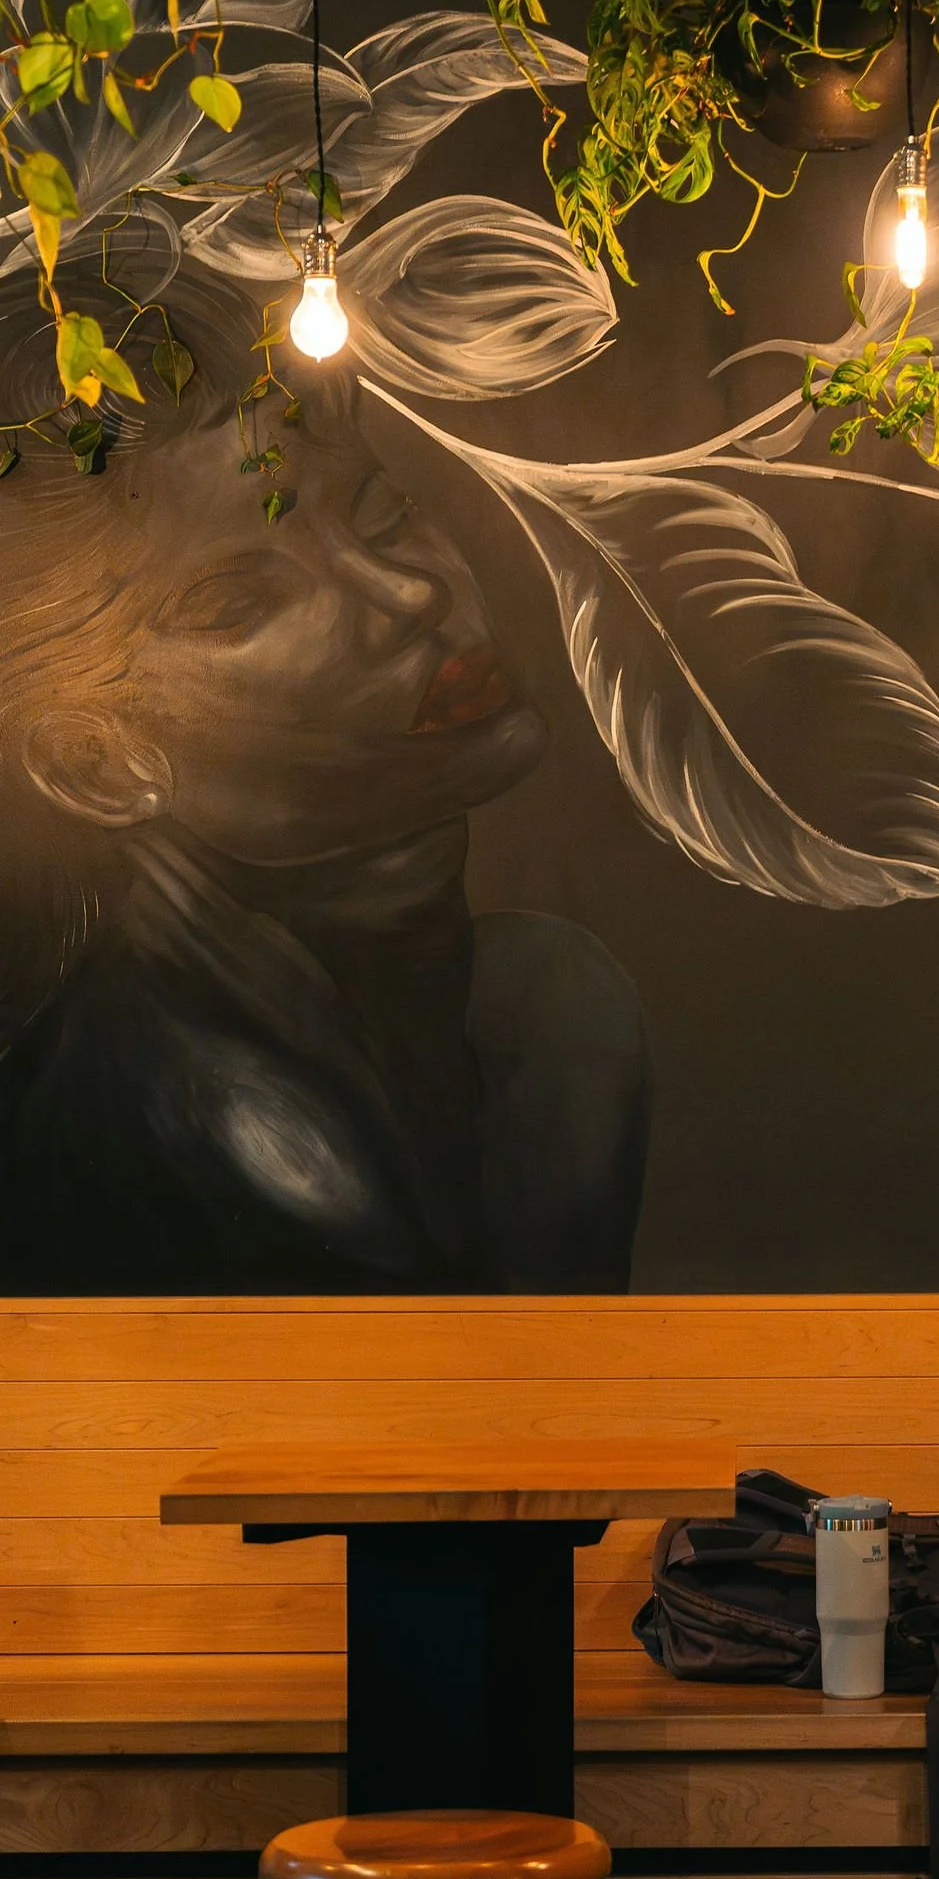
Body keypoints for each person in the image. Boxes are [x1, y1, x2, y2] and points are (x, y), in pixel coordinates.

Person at [0, 287, 649, 1290]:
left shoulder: (552, 1014)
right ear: (98, 761)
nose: (411, 593)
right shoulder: (172, 1133)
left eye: (383, 510)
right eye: (240, 601)